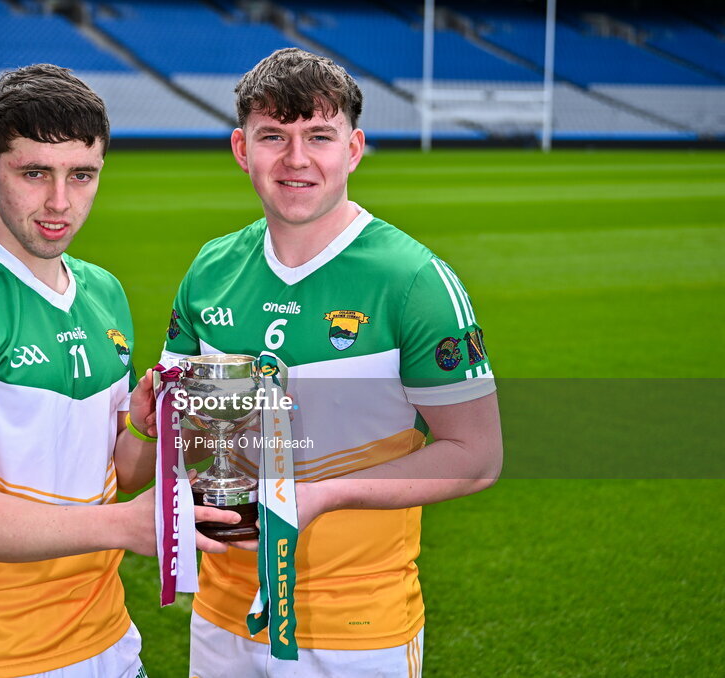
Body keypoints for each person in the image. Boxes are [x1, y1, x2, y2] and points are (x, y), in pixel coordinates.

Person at [0, 64, 235, 678]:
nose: (59, 202)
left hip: (110, 643)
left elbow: (120, 471)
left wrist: (153, 428)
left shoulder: (104, 292)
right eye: (34, 173)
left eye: (82, 175)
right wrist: (127, 526)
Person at [162, 48, 503, 677]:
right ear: (242, 148)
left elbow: (476, 455)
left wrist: (319, 495)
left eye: (319, 135)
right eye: (274, 137)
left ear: (353, 148)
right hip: (219, 619)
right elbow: (172, 429)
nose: (296, 159)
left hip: (358, 631)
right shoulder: (210, 270)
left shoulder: (415, 281)